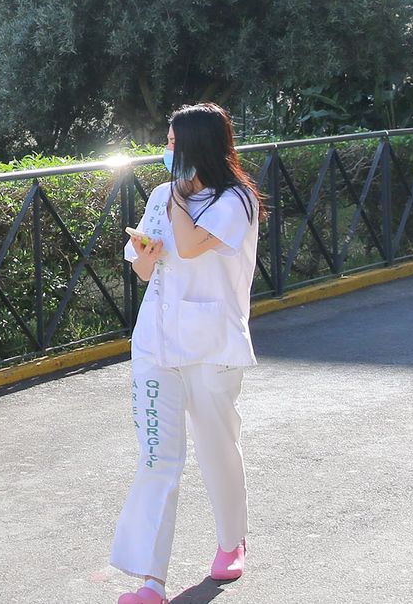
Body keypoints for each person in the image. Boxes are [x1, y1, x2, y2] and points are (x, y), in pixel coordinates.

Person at [110, 103, 262, 604]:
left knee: (216, 445)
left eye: (174, 141)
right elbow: (145, 269)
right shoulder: (161, 194)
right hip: (157, 341)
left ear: (198, 145)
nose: (167, 148)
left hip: (212, 343)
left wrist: (178, 194)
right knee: (157, 454)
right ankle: (150, 580)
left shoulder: (236, 199)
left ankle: (230, 539)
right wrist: (146, 257)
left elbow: (192, 245)